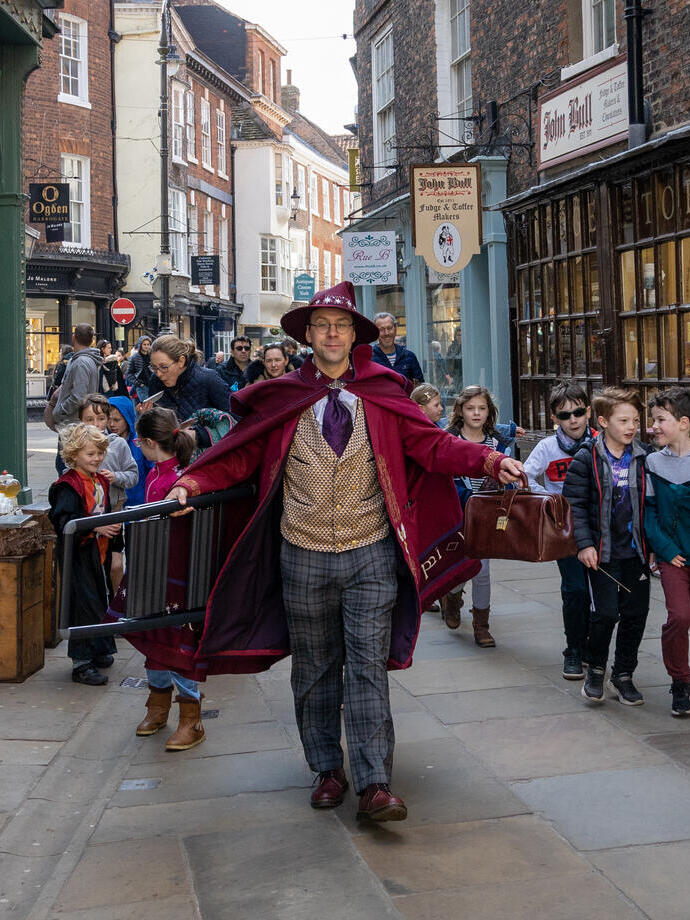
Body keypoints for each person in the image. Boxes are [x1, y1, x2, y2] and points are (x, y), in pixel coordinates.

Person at [165, 281, 522, 822]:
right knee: (313, 667)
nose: (332, 334)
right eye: (322, 326)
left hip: (371, 553)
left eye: (341, 325)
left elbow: (433, 444)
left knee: (367, 667)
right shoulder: (283, 396)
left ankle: (375, 781)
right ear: (308, 336)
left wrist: (490, 462)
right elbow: (236, 458)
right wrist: (188, 485)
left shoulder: (383, 392)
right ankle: (327, 768)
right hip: (300, 552)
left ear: (355, 334)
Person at [563, 387, 652, 706]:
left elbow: (650, 505)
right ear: (602, 421)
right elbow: (574, 505)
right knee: (605, 614)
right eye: (624, 420)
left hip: (636, 553)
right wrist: (584, 544)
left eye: (636, 420)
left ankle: (623, 673)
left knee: (636, 614)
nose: (631, 427)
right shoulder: (586, 458)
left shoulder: (643, 457)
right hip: (602, 554)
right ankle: (596, 669)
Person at [128, 407, 207, 750]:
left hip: (175, 573)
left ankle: (192, 717)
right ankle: (157, 705)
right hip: (157, 571)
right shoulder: (165, 474)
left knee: (178, 646)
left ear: (146, 442)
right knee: (154, 640)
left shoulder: (171, 479)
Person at [523, 380, 595, 680]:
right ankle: (575, 650)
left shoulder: (601, 441)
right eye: (564, 415)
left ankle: (595, 647)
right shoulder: (547, 447)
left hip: (598, 527)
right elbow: (525, 476)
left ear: (588, 412)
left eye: (578, 412)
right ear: (554, 417)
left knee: (600, 592)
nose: (573, 420)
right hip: (564, 529)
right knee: (576, 589)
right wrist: (550, 498)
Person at [49, 423, 121, 685]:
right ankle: (81, 663)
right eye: (90, 454)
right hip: (77, 556)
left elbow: (111, 514)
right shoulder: (67, 486)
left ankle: (99, 648)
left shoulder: (99, 479)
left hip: (98, 552)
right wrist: (95, 525)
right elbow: (63, 522)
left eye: (100, 453)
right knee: (83, 606)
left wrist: (116, 548)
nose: (97, 458)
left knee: (101, 601)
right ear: (73, 454)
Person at [441, 385, 503, 642]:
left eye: (482, 408)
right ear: (460, 411)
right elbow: (446, 481)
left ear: (489, 412)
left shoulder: (497, 442)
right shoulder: (450, 441)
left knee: (482, 570)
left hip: (486, 517)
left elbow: (504, 476)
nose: (476, 413)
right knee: (460, 567)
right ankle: (452, 595)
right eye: (470, 408)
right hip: (459, 515)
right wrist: (467, 499)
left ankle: (481, 624)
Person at [645, 387, 690, 716]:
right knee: (679, 616)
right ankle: (680, 682)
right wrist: (664, 548)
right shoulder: (651, 462)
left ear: (684, 422)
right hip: (673, 556)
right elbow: (648, 513)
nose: (653, 427)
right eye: (652, 420)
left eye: (661, 420)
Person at [79, 394, 138, 591]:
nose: (96, 424)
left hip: (114, 512)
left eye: (101, 419)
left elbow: (133, 475)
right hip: (87, 514)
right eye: (89, 419)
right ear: (81, 420)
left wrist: (116, 477)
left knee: (115, 564)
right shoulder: (75, 444)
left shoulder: (118, 444)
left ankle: (117, 604)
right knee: (93, 564)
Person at [147, 335, 230, 420]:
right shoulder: (155, 381)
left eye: (164, 367)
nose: (158, 374)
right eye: (154, 367)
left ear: (181, 361)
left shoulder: (210, 379)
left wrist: (198, 432)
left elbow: (232, 420)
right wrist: (148, 418)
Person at [53, 324, 102, 428]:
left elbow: (78, 397)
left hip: (74, 424)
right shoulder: (84, 360)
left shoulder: (81, 362)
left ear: (74, 337)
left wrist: (61, 411)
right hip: (77, 422)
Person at [107, 396, 153, 507]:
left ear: (127, 418)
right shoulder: (103, 442)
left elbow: (152, 470)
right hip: (114, 505)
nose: (112, 424)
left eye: (117, 420)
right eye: (108, 419)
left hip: (139, 503)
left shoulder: (140, 441)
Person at [371, 312, 424, 385]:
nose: (386, 333)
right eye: (381, 330)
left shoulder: (409, 356)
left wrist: (428, 396)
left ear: (395, 329)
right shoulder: (369, 357)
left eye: (389, 328)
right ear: (375, 332)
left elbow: (421, 387)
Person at [126, 335, 153, 402]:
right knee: (146, 407)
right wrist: (138, 383)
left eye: (148, 344)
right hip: (142, 386)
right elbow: (129, 374)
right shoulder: (134, 357)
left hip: (152, 385)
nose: (146, 346)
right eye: (144, 344)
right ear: (140, 345)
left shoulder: (152, 356)